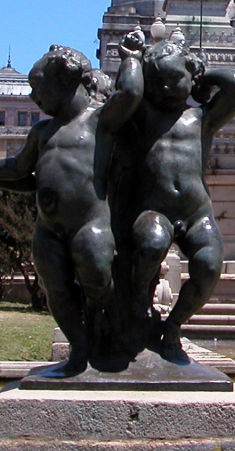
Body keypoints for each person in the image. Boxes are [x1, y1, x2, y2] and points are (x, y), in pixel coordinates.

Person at [0, 39, 143, 374]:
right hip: (47, 229)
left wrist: (132, 59)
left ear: (66, 82)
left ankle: (108, 328)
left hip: (89, 224)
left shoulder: (98, 121)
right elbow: (20, 170)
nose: (34, 97)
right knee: (57, 292)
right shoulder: (41, 131)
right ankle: (78, 349)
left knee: (97, 277)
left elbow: (130, 96)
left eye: (38, 88)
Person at [118, 40, 235, 359]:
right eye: (157, 79)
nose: (164, 86)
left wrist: (200, 74)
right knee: (151, 244)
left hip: (195, 214)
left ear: (191, 78)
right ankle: (137, 300)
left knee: (209, 266)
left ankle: (175, 324)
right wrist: (133, 60)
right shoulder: (141, 115)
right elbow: (128, 93)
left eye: (173, 78)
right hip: (153, 209)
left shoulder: (202, 118)